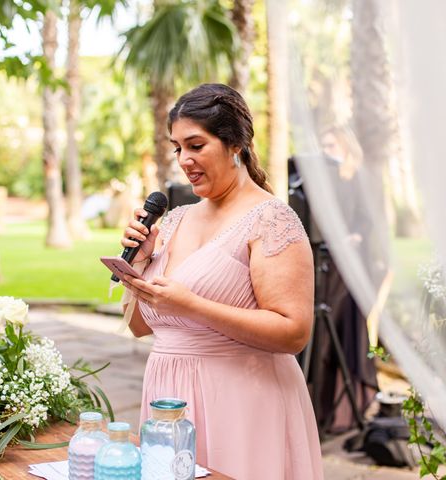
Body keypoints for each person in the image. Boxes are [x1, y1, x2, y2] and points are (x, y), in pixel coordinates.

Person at [120, 83, 324, 479]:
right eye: (177, 148)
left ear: (236, 144)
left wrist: (192, 306)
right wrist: (139, 270)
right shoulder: (176, 219)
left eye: (196, 145)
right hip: (168, 401)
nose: (184, 160)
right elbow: (141, 327)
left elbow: (293, 332)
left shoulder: (271, 219)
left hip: (240, 403)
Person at [306, 125, 379, 435]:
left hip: (349, 265)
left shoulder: (359, 177)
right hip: (325, 261)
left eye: (331, 144)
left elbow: (369, 217)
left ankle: (347, 411)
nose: (327, 150)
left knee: (343, 328)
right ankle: (318, 409)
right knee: (320, 332)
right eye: (323, 144)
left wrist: (355, 236)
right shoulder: (323, 181)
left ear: (346, 147)